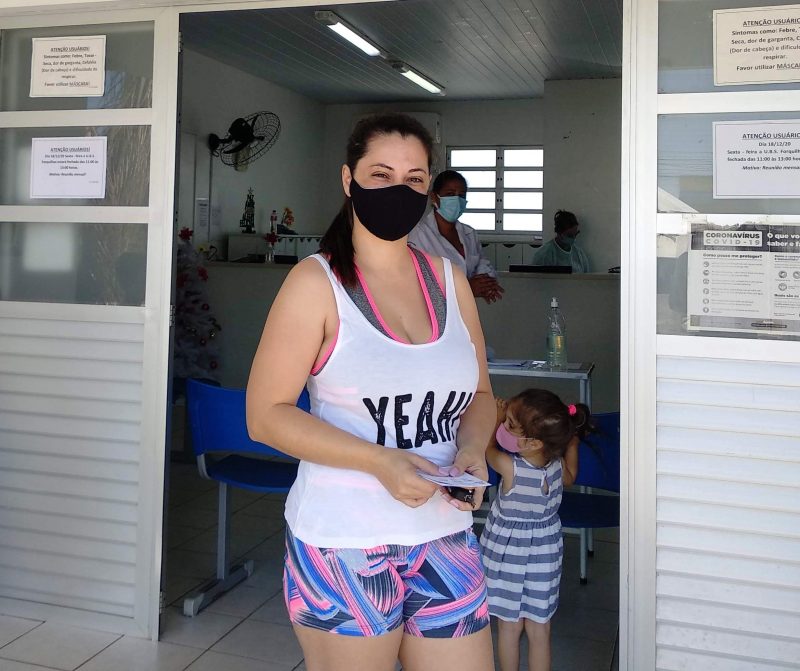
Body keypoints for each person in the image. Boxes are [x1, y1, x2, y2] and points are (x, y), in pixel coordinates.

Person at [246, 113, 497, 671]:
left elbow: (480, 394)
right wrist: (380, 462)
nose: (397, 189)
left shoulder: (450, 280)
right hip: (344, 541)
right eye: (380, 174)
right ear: (348, 180)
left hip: (444, 536)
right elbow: (265, 416)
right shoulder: (316, 283)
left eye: (413, 179)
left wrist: (474, 451)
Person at [481, 390, 591, 671]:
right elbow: (571, 477)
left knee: (509, 628)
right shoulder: (557, 467)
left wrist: (494, 423)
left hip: (509, 557)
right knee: (540, 630)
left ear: (532, 443)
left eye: (510, 425)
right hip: (545, 554)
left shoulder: (510, 468)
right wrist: (572, 444)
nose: (505, 427)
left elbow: (488, 450)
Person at [408, 169, 504, 303]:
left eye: (462, 195)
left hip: (466, 310)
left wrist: (486, 284)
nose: (457, 200)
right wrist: (466, 288)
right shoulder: (418, 235)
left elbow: (483, 264)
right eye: (450, 194)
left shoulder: (469, 234)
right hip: (432, 313)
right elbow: (416, 284)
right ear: (434, 197)